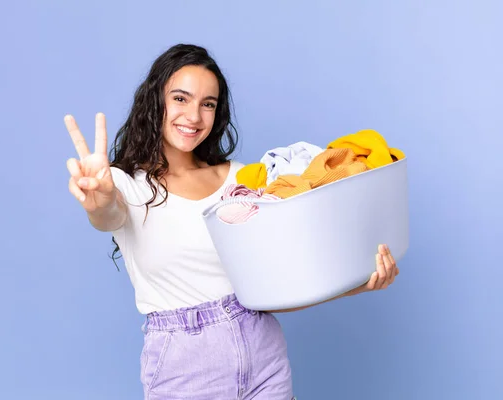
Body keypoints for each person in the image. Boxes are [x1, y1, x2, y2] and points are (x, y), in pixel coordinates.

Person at [64, 44, 399, 400]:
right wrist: (98, 199)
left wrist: (358, 284)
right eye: (180, 98)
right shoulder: (126, 185)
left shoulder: (243, 181)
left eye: (207, 104)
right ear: (155, 101)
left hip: (264, 357)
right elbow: (106, 215)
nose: (194, 116)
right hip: (185, 366)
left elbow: (269, 293)